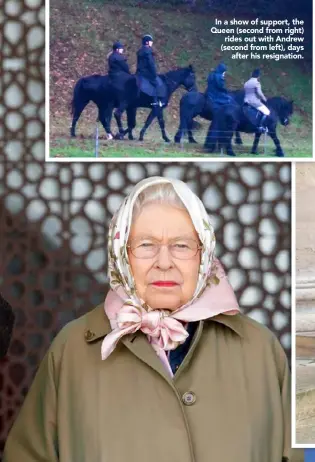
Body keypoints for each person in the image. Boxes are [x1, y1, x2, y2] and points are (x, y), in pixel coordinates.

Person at [3, 176, 295, 462]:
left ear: (203, 255)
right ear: (121, 254)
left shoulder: (259, 350)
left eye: (181, 245)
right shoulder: (74, 349)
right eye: (146, 245)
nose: (164, 262)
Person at [107, 41, 131, 117]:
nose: (122, 50)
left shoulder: (111, 56)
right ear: (117, 49)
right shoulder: (118, 57)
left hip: (111, 75)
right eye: (121, 48)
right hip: (119, 76)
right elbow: (126, 68)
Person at [136, 34, 160, 107]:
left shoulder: (140, 51)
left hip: (139, 72)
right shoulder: (148, 51)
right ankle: (154, 102)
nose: (152, 43)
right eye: (150, 41)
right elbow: (151, 64)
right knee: (156, 84)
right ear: (147, 42)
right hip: (146, 73)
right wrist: (154, 74)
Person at [244, 68, 270, 133]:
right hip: (254, 102)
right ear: (258, 76)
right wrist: (265, 99)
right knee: (267, 112)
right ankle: (260, 126)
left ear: (252, 75)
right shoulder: (257, 83)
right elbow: (259, 93)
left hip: (246, 101)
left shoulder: (246, 83)